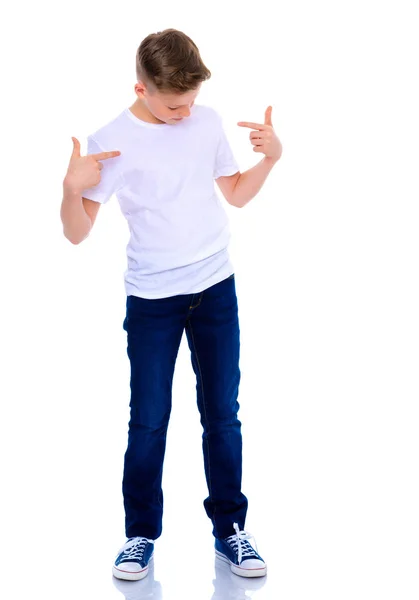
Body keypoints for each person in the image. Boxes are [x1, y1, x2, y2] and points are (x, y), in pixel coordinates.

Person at [60, 28, 282, 582]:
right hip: (153, 299)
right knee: (150, 419)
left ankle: (231, 530)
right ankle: (140, 536)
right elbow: (76, 234)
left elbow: (234, 192)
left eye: (192, 100)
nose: (186, 112)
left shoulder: (205, 121)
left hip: (215, 287)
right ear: (141, 88)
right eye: (174, 103)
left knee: (222, 414)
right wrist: (70, 190)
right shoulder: (111, 140)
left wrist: (271, 160)